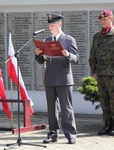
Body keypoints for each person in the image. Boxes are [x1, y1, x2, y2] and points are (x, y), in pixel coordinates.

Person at [35, 13, 80, 144]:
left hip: (64, 79)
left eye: (53, 25)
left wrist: (68, 55)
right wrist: (38, 55)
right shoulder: (47, 40)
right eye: (49, 25)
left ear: (60, 24)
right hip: (49, 78)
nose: (50, 27)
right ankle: (53, 133)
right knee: (51, 108)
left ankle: (71, 134)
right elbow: (42, 60)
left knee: (66, 108)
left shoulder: (69, 40)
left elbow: (77, 59)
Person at [89, 9, 114, 136]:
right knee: (104, 101)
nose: (103, 22)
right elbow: (92, 55)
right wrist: (94, 71)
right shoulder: (97, 36)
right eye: (101, 20)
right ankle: (107, 125)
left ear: (111, 19)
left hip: (113, 74)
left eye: (105, 19)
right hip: (101, 74)